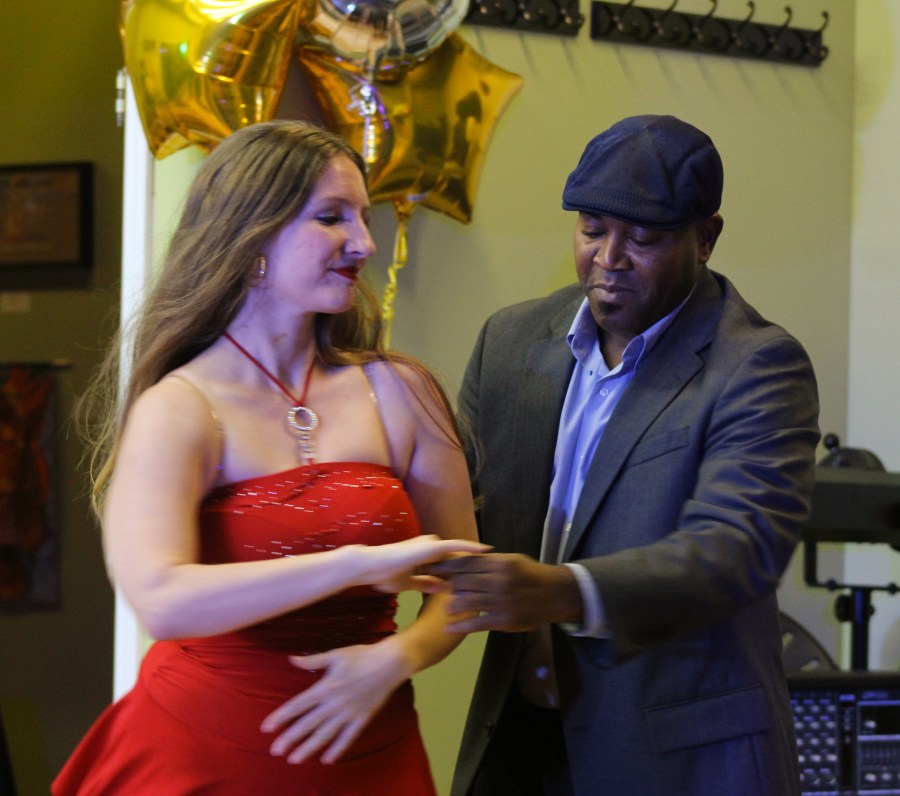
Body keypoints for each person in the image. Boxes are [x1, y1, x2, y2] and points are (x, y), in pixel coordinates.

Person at [52, 120, 483, 795]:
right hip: (203, 753)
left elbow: (464, 577)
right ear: (252, 237)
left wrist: (396, 658)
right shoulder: (180, 407)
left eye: (363, 216)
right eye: (332, 217)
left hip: (371, 747)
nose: (364, 243)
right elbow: (161, 601)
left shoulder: (401, 391)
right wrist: (356, 565)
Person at [430, 114, 820, 795]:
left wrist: (561, 590)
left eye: (643, 238)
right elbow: (459, 506)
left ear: (706, 238)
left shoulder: (757, 366)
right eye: (592, 229)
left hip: (678, 761)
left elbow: (735, 550)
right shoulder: (510, 341)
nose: (609, 258)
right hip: (521, 741)